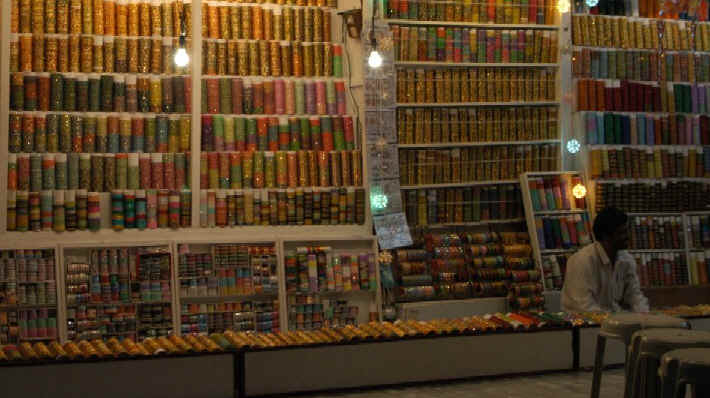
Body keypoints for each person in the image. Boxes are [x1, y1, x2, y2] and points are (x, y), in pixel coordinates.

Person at [561, 207, 649, 313]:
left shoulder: (626, 260)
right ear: (606, 236)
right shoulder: (582, 261)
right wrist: (618, 320)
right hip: (583, 325)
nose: (627, 236)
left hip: (611, 321)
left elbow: (634, 295)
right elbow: (583, 306)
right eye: (621, 233)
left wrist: (644, 316)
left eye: (626, 231)